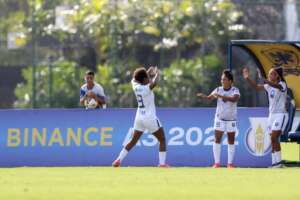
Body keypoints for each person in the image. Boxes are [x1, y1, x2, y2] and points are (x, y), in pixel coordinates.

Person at [112, 66, 169, 167]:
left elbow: (135, 79)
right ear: (144, 80)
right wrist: (157, 74)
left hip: (139, 118)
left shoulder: (136, 86)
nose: (149, 78)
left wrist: (146, 72)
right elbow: (154, 83)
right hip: (149, 118)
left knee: (133, 140)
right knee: (162, 139)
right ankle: (162, 164)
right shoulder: (146, 88)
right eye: (147, 77)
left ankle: (118, 160)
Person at [243, 67, 288, 168]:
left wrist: (263, 78)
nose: (269, 75)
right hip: (271, 115)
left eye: (271, 74)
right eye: (269, 73)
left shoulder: (282, 85)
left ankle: (279, 163)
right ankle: (274, 163)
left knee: (274, 137)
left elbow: (276, 86)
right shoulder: (269, 85)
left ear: (277, 76)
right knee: (272, 139)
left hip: (281, 115)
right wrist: (247, 78)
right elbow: (257, 88)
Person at [197, 69, 240, 168]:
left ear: (230, 81)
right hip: (219, 119)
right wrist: (204, 97)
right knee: (217, 139)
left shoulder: (235, 90)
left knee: (231, 140)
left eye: (224, 79)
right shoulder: (218, 89)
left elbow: (234, 99)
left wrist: (221, 96)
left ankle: (230, 164)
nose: (222, 81)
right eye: (221, 79)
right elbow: (209, 98)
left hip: (231, 119)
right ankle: (217, 163)